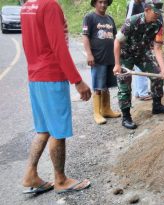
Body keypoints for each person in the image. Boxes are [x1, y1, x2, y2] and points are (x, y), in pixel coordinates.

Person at [21, 0, 92, 194]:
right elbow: (58, 46)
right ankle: (60, 180)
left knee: (44, 129)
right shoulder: (49, 5)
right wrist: (77, 80)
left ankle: (30, 174)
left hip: (35, 75)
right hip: (51, 76)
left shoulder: (28, 5)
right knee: (58, 131)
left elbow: (29, 41)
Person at [113, 0, 164, 129]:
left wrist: (163, 68)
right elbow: (117, 42)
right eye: (155, 12)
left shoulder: (158, 24)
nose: (157, 15)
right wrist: (117, 64)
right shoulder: (132, 21)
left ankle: (157, 106)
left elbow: (157, 48)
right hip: (126, 54)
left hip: (142, 54)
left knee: (157, 75)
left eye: (159, 13)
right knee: (124, 85)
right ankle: (126, 117)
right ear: (146, 10)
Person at [82, 0, 121, 125]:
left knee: (107, 86)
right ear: (95, 3)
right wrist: (89, 54)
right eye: (100, 2)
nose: (103, 5)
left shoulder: (110, 19)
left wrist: (118, 57)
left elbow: (115, 38)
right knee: (98, 86)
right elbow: (85, 36)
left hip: (110, 58)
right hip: (98, 58)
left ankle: (106, 109)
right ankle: (97, 113)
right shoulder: (89, 18)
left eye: (105, 2)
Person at [126, 0, 152, 101]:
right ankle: (143, 92)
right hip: (134, 40)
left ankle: (138, 91)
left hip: (140, 38)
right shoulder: (133, 4)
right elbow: (128, 21)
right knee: (142, 66)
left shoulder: (141, 3)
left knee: (138, 66)